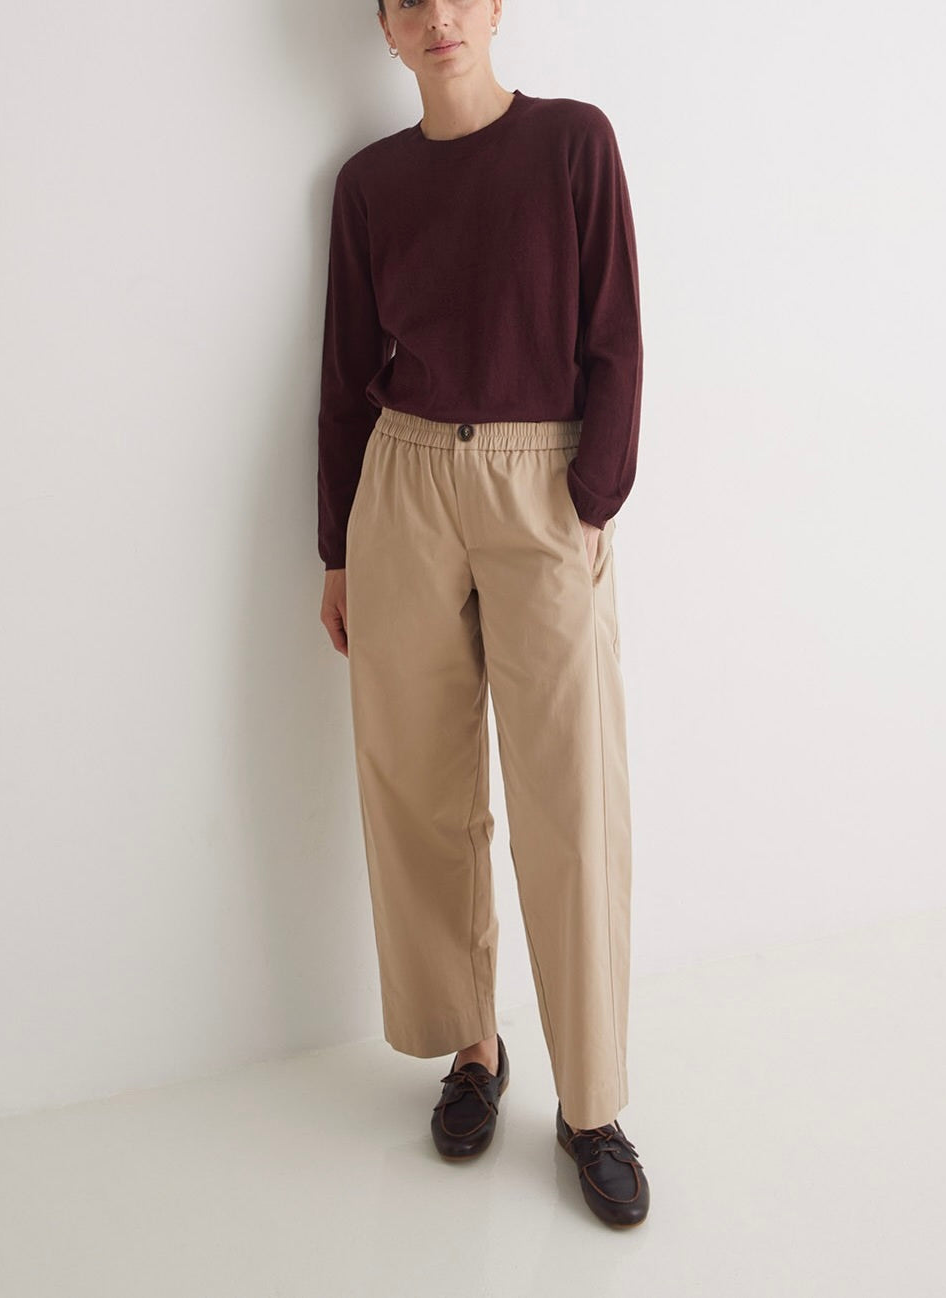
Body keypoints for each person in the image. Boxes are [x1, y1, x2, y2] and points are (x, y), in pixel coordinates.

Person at [316, 0, 649, 1228]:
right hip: (402, 484)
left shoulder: (573, 142)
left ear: (497, 7)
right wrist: (336, 548)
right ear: (388, 31)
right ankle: (474, 1048)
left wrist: (593, 495)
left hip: (539, 483)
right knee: (419, 783)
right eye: (409, 1)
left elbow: (615, 338)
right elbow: (343, 373)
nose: (439, 16)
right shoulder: (370, 184)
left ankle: (591, 1103)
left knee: (571, 795)